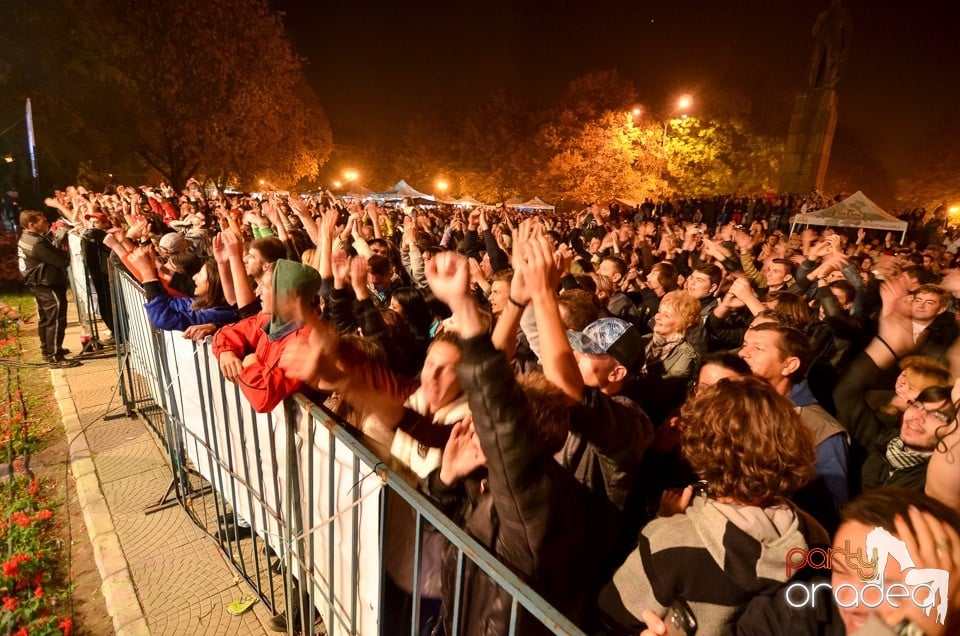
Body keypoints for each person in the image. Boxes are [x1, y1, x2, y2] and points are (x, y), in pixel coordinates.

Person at [599, 376, 827, 634]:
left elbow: (613, 616)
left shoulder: (670, 540)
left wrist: (662, 520)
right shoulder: (813, 534)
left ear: (702, 447)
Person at [17, 210, 80, 368]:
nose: (46, 222)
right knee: (56, 317)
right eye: (42, 220)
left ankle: (47, 350)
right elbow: (61, 261)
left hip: (38, 283)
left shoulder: (26, 237)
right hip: (46, 283)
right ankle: (55, 357)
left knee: (45, 317)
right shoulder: (37, 242)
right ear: (31, 225)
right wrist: (61, 246)